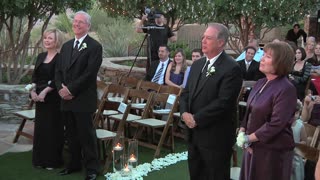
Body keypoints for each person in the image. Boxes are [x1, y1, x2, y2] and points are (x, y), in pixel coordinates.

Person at [180, 23, 243, 179]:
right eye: (203, 37)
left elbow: (224, 102)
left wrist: (196, 118)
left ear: (221, 42)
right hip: (194, 134)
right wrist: (184, 113)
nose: (203, 41)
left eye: (208, 38)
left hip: (216, 137)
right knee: (196, 174)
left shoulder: (231, 68)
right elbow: (185, 93)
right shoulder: (197, 64)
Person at [239, 42, 297, 180]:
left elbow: (276, 123)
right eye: (263, 55)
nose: (262, 59)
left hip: (272, 152)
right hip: (252, 147)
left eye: (268, 56)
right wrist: (242, 131)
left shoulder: (286, 88)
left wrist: (248, 138)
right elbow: (249, 111)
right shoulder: (260, 82)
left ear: (280, 62)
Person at [55, 11, 102, 180]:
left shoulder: (95, 47)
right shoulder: (66, 46)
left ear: (88, 26)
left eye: (81, 22)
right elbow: (58, 71)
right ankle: (73, 164)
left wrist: (71, 90)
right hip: (66, 100)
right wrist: (61, 89)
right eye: (75, 21)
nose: (77, 24)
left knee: (86, 135)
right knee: (71, 135)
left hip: (82, 99)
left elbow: (89, 74)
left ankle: (92, 169)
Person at [31, 29, 64, 170]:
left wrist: (44, 91)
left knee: (52, 129)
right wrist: (32, 91)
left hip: (53, 99)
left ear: (57, 41)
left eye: (50, 38)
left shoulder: (60, 58)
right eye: (45, 38)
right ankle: (39, 160)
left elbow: (58, 79)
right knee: (40, 129)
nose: (47, 40)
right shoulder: (40, 56)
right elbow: (35, 77)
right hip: (39, 99)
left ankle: (51, 161)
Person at [291, 100, 307, 180]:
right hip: (284, 154)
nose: (294, 115)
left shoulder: (300, 126)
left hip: (295, 155)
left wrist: (297, 144)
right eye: (292, 113)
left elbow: (304, 141)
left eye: (296, 113)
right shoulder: (283, 124)